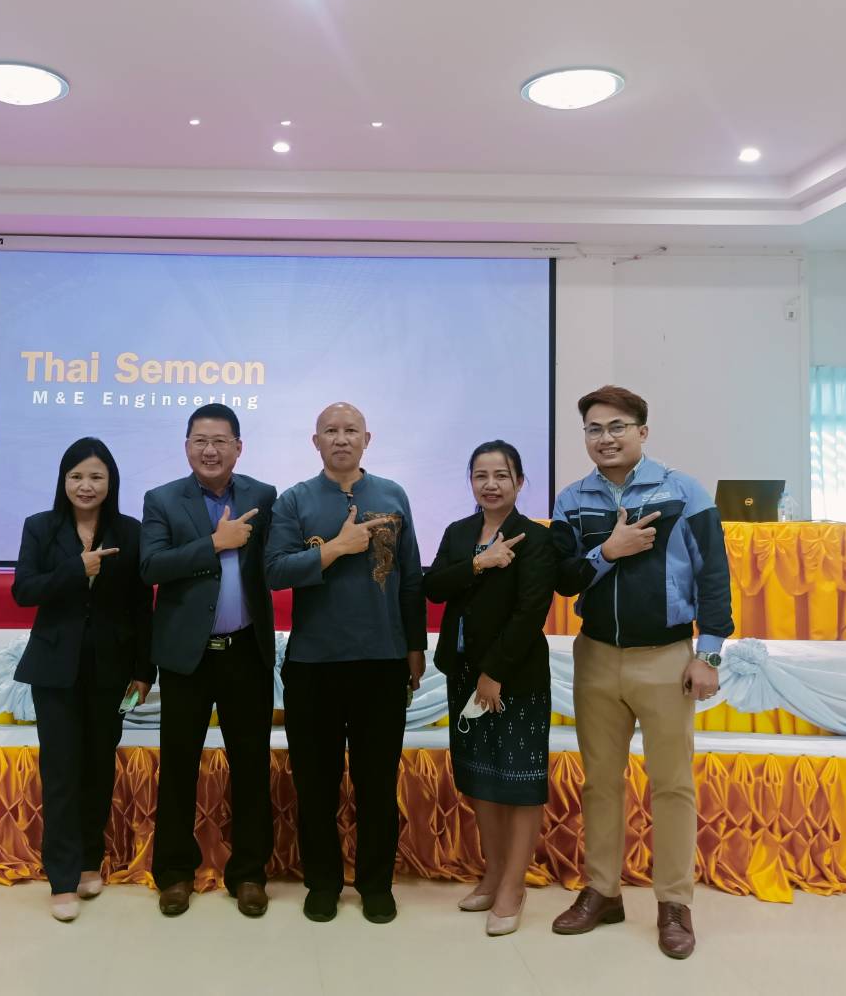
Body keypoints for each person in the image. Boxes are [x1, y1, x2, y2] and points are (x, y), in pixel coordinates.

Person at [548, 386, 733, 959]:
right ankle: (602, 892)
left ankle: (674, 903)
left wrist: (708, 654)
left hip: (666, 658)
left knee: (672, 784)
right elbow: (564, 578)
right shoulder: (571, 499)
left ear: (642, 432)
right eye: (594, 429)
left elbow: (714, 575)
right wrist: (610, 550)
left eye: (617, 427)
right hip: (597, 656)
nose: (605, 438)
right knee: (601, 782)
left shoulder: (683, 491)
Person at [265, 402, 425, 924]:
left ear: (366, 438)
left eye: (350, 430)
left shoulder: (392, 495)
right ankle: (323, 883)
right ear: (316, 442)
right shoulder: (294, 500)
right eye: (330, 431)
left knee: (377, 782)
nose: (340, 438)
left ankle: (376, 884)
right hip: (314, 664)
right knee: (316, 784)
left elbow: (410, 577)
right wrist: (334, 549)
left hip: (382, 661)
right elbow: (274, 571)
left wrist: (415, 647)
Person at [140, 404, 278, 918]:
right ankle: (174, 873)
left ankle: (250, 874)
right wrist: (214, 544)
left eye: (221, 441)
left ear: (239, 447)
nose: (210, 450)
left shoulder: (264, 496)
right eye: (200, 440)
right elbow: (151, 566)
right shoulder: (162, 499)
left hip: (246, 652)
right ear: (186, 446)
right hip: (187, 657)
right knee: (179, 767)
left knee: (251, 766)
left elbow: (276, 563)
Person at [12, 437, 155, 923]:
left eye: (96, 476)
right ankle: (61, 877)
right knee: (61, 772)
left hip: (111, 671)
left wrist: (143, 671)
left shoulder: (130, 532)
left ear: (110, 482)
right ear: (63, 481)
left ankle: (91, 860)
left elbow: (142, 606)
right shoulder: (41, 527)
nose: (85, 485)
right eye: (76, 476)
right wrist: (76, 569)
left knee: (97, 768)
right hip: (54, 671)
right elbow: (23, 590)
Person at [423, 441, 556, 936]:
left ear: (519, 482)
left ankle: (513, 886)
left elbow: (530, 611)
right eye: (481, 475)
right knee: (481, 779)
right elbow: (434, 587)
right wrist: (480, 563)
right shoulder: (459, 532)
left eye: (502, 475)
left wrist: (494, 671)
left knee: (519, 782)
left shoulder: (535, 539)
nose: (491, 484)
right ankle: (493, 874)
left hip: (514, 676)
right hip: (462, 673)